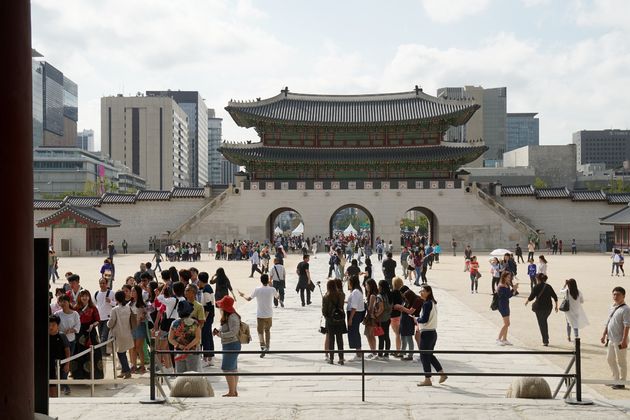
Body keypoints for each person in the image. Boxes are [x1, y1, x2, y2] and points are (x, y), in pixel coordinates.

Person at [239, 274, 278, 358]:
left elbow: (249, 299)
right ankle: (267, 347)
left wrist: (243, 295)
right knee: (267, 330)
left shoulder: (257, 289)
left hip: (260, 314)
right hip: (269, 314)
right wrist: (272, 286)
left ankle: (262, 346)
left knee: (260, 332)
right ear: (268, 280)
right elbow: (278, 297)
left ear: (261, 280)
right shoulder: (272, 289)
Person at [416, 285, 447, 386]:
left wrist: (416, 319)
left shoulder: (426, 304)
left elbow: (424, 319)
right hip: (432, 332)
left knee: (424, 356)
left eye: (423, 291)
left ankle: (427, 379)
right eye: (420, 290)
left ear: (428, 292)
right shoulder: (432, 303)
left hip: (427, 332)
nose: (421, 292)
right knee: (429, 355)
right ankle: (442, 373)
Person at [601, 286, 630, 389]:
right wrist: (604, 334)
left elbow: (627, 325)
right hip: (611, 339)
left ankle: (621, 382)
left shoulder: (626, 309)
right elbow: (609, 321)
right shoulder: (613, 307)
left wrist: (624, 340)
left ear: (623, 296)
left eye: (618, 294)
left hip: (620, 340)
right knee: (610, 359)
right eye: (614, 294)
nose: (615, 296)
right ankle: (615, 379)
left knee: (621, 361)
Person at [214, 295, 241, 397]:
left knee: (227, 368)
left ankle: (232, 391)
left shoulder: (232, 317)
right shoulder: (229, 316)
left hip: (231, 344)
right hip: (230, 344)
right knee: (233, 368)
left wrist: (220, 335)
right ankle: (233, 390)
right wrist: (219, 331)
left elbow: (233, 332)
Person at [168, 300, 202, 373]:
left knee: (180, 375)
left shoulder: (174, 323)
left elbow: (170, 339)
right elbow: (198, 338)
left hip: (179, 351)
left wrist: (180, 346)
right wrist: (188, 347)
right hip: (192, 351)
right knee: (192, 375)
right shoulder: (195, 323)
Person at [525, 273, 558, 346]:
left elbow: (531, 297)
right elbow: (555, 296)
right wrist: (556, 306)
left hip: (539, 308)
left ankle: (545, 340)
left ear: (538, 279)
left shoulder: (536, 287)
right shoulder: (548, 286)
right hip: (548, 308)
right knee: (544, 322)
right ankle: (546, 338)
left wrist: (527, 301)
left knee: (542, 323)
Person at [107, 290, 134, 379]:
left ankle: (126, 371)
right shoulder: (128, 308)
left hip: (118, 333)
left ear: (116, 299)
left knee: (120, 353)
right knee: (123, 352)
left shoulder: (114, 309)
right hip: (127, 332)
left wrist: (108, 323)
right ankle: (123, 371)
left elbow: (111, 322)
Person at [322, 279, 347, 365]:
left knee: (331, 339)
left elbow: (324, 311)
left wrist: (327, 317)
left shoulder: (326, 297)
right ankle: (341, 358)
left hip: (330, 320)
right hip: (340, 319)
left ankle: (331, 358)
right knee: (340, 339)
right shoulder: (341, 295)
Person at [49, 315, 71, 397]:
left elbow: (67, 350)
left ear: (58, 325)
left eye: (53, 325)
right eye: (49, 324)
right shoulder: (45, 336)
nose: (51, 327)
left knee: (55, 387)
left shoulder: (62, 336)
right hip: (48, 364)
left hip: (58, 365)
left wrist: (67, 364)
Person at [346, 275, 365, 362]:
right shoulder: (357, 291)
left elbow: (354, 307)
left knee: (354, 332)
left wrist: (350, 319)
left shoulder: (355, 292)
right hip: (356, 314)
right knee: (355, 332)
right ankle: (358, 352)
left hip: (354, 314)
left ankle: (358, 353)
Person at [496, 272, 514, 346]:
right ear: (504, 277)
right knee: (507, 323)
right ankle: (498, 339)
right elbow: (506, 296)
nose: (509, 278)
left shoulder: (506, 285)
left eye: (510, 277)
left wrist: (513, 289)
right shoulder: (501, 286)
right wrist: (513, 290)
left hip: (506, 304)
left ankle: (505, 339)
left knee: (507, 324)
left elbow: (509, 295)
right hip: (502, 305)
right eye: (508, 277)